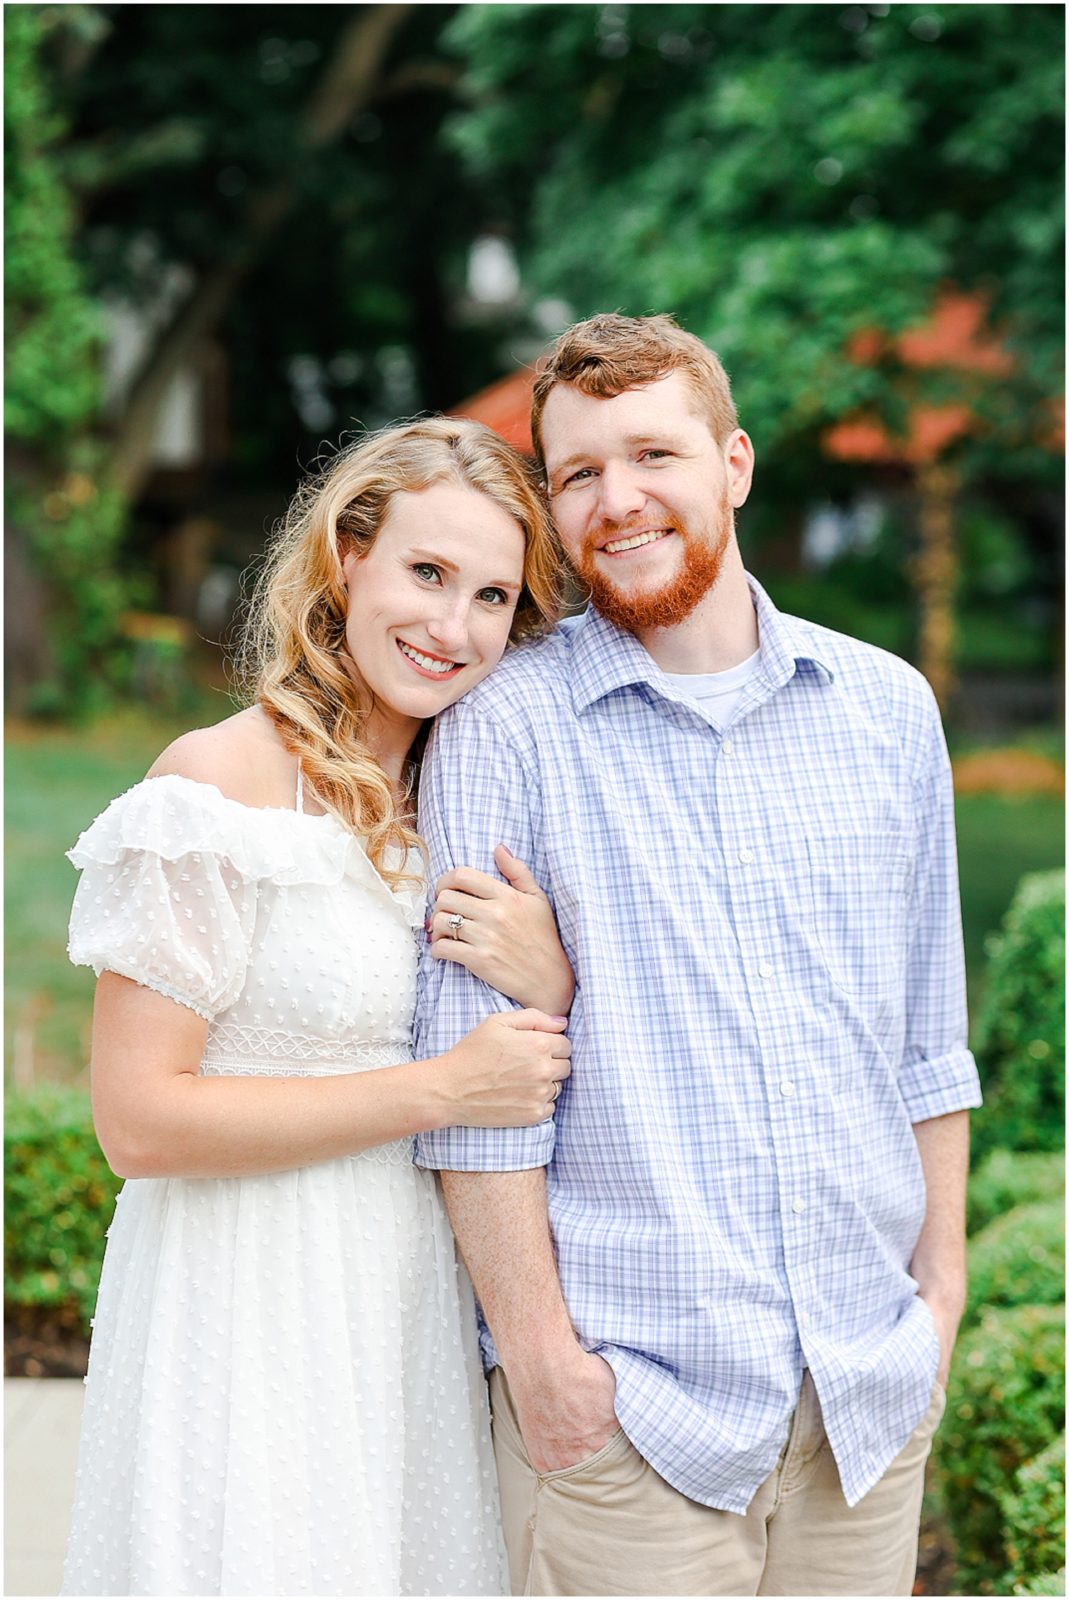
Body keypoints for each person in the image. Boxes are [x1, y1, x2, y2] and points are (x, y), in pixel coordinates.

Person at [415, 314, 983, 1598]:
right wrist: (546, 1365)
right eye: (575, 474)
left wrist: (934, 1303)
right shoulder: (506, 726)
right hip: (632, 1418)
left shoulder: (888, 711)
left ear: (731, 464)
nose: (617, 501)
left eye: (651, 454)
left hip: (863, 1399)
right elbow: (474, 1086)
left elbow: (925, 1041)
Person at [61, 416, 579, 1598]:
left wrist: (549, 985)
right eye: (427, 573)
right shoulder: (212, 786)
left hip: (403, 1305)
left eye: (493, 597)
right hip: (242, 1296)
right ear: (349, 557)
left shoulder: (466, 796)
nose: (453, 628)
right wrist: (440, 1091)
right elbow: (137, 1119)